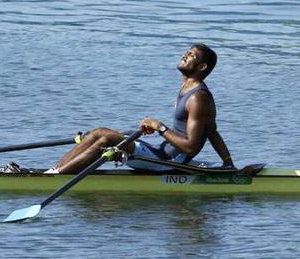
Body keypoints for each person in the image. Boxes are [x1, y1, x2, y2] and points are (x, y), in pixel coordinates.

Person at [49, 43, 234, 174]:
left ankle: (56, 177)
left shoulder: (198, 98)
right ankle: (55, 172)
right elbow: (212, 132)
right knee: (97, 133)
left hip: (169, 162)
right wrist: (228, 165)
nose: (185, 55)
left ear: (202, 66)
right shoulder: (188, 88)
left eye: (192, 55)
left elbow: (191, 146)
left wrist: (160, 128)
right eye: (187, 52)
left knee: (107, 138)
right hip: (161, 152)